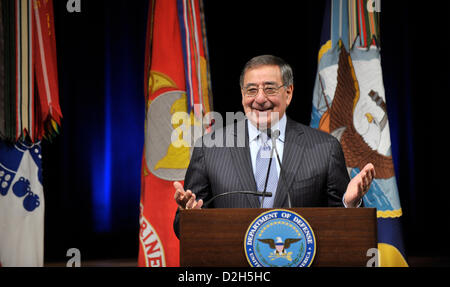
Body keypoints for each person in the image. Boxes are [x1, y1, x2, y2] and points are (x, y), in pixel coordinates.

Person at [173, 55, 375, 238]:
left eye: (269, 89)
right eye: (251, 90)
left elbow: (344, 231)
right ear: (242, 95)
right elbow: (182, 229)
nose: (260, 99)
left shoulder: (325, 148)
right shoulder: (209, 148)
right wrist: (190, 217)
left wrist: (350, 204)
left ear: (288, 93)